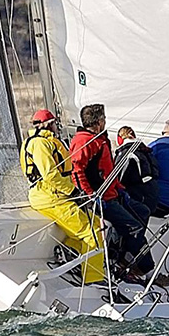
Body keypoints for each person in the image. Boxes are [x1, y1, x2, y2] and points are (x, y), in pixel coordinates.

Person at [69, 104, 160, 281]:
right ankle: (140, 267)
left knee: (143, 211)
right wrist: (90, 196)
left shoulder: (100, 139)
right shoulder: (84, 141)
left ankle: (125, 253)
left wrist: (119, 186)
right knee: (134, 227)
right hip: (100, 198)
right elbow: (76, 171)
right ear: (99, 122)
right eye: (103, 119)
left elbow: (107, 169)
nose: (105, 122)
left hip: (113, 193)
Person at [20, 109, 105, 284]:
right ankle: (93, 279)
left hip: (55, 196)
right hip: (50, 198)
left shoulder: (46, 141)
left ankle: (68, 252)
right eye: (54, 123)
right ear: (49, 124)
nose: (57, 126)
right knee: (93, 233)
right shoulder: (40, 144)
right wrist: (73, 192)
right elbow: (50, 175)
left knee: (97, 223)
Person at [114, 126, 164, 218]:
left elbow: (118, 177)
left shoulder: (127, 153)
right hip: (151, 194)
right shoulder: (146, 151)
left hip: (137, 196)